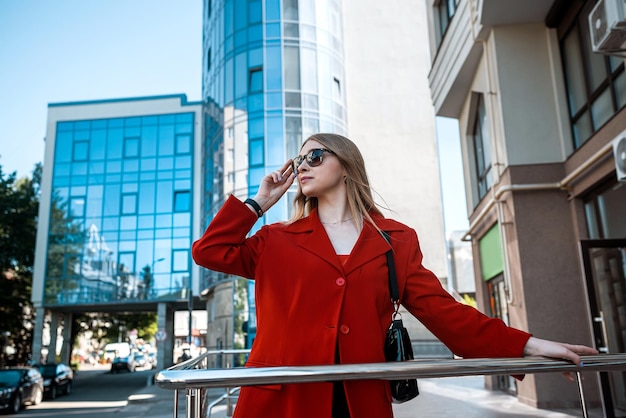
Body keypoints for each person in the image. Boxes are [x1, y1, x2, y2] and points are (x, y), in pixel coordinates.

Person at [192, 133, 598, 418]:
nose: (303, 166)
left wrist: (526, 344)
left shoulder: (396, 240)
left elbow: (444, 313)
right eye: (299, 160)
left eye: (314, 156)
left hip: (361, 399)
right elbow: (209, 251)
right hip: (279, 403)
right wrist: (258, 202)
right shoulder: (275, 240)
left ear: (346, 166)